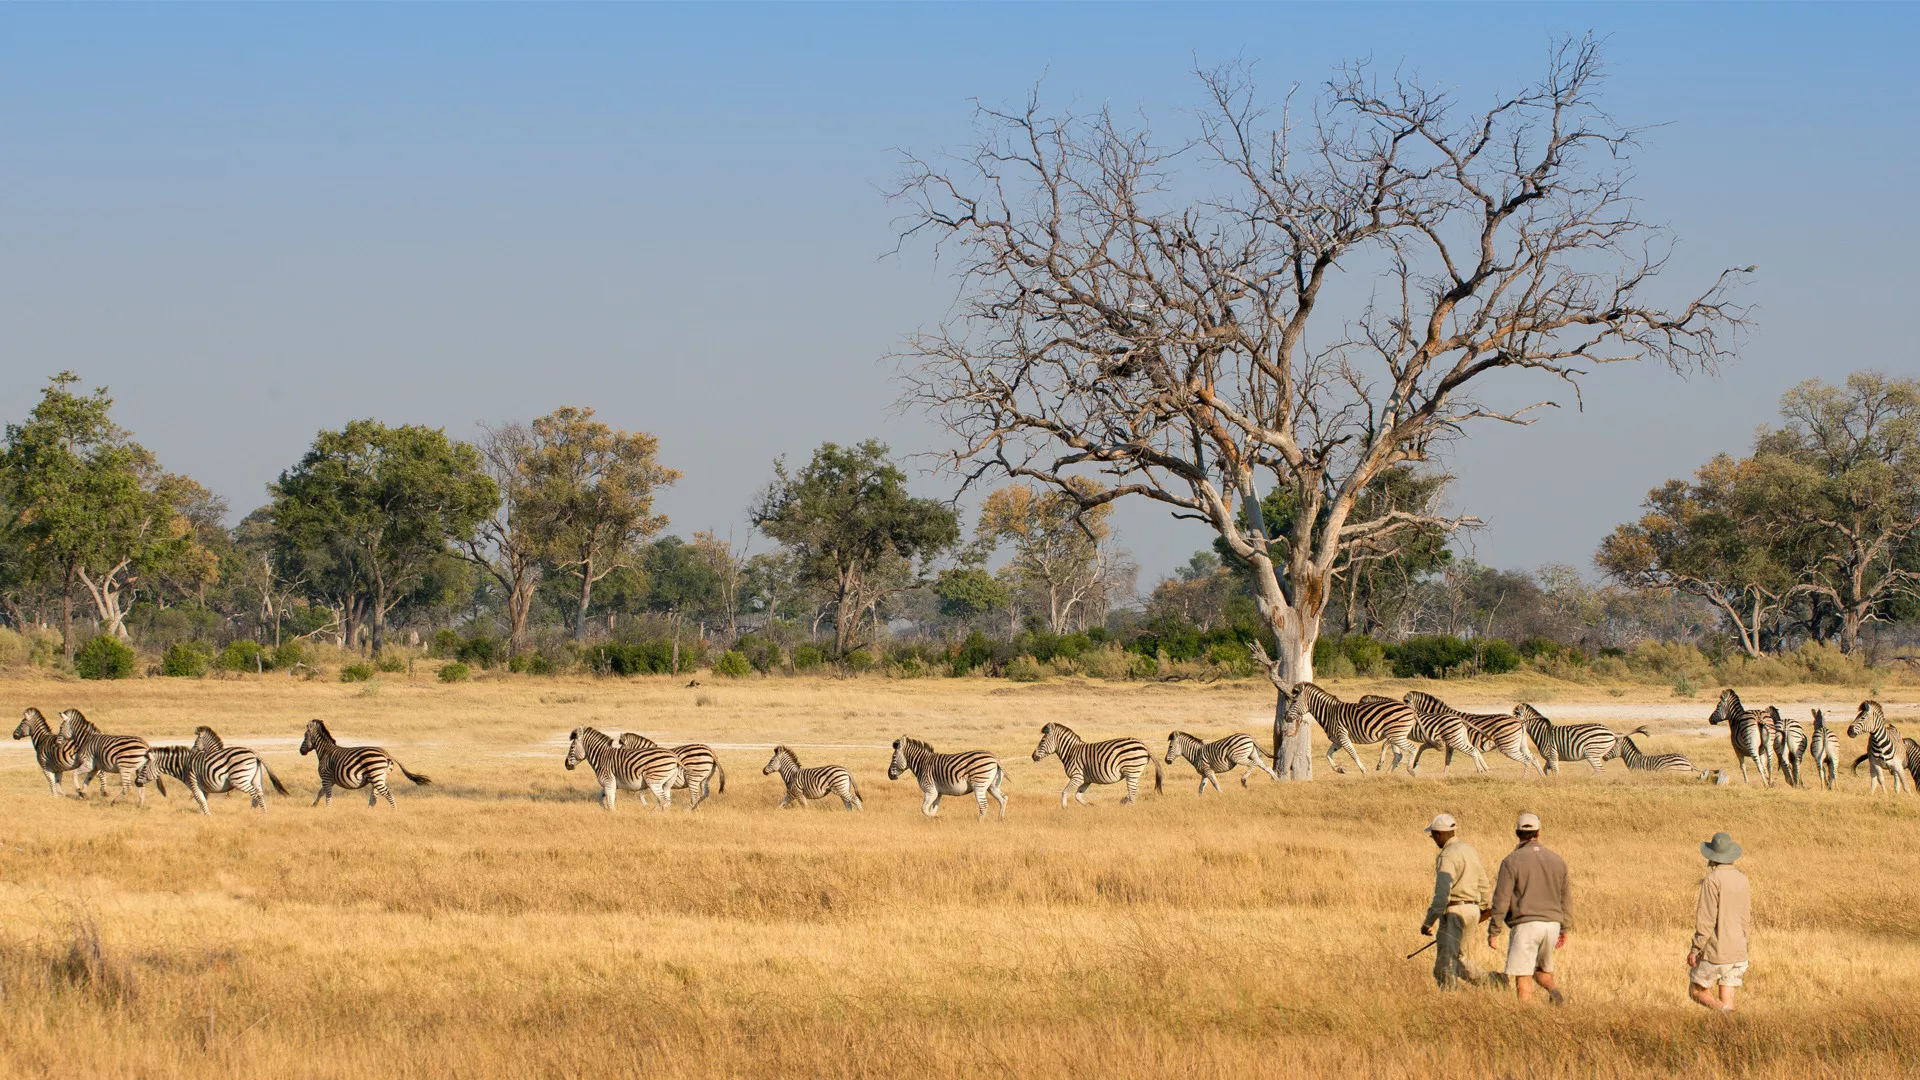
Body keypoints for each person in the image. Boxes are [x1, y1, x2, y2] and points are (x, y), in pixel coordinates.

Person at [1487, 811, 1572, 1005]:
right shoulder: (1557, 860)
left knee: (1522, 975)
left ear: (1517, 833)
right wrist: (1564, 929)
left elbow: (1501, 899)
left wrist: (1494, 930)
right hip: (1551, 925)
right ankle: (1554, 992)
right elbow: (1566, 899)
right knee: (1540, 970)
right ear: (1539, 832)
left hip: (1526, 925)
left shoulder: (1511, 861)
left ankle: (1526, 1018)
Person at [1418, 813, 1499, 989]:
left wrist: (1428, 922)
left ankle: (1451, 1000)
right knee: (1459, 958)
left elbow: (1442, 894)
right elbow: (1483, 883)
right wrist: (1485, 909)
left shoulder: (1446, 855)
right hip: (1473, 911)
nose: (1433, 839)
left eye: (1433, 836)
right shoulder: (1470, 851)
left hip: (1454, 912)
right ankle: (1494, 983)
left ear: (1439, 834)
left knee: (1444, 966)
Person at [1688, 831, 1752, 1012]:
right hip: (1739, 949)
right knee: (1727, 997)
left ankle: (1724, 1014)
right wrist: (1744, 943)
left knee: (1696, 990)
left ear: (1712, 856)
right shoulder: (1743, 879)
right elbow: (1745, 917)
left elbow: (1706, 919)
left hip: (1718, 949)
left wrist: (1696, 948)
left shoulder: (1711, 880)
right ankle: (1729, 1029)